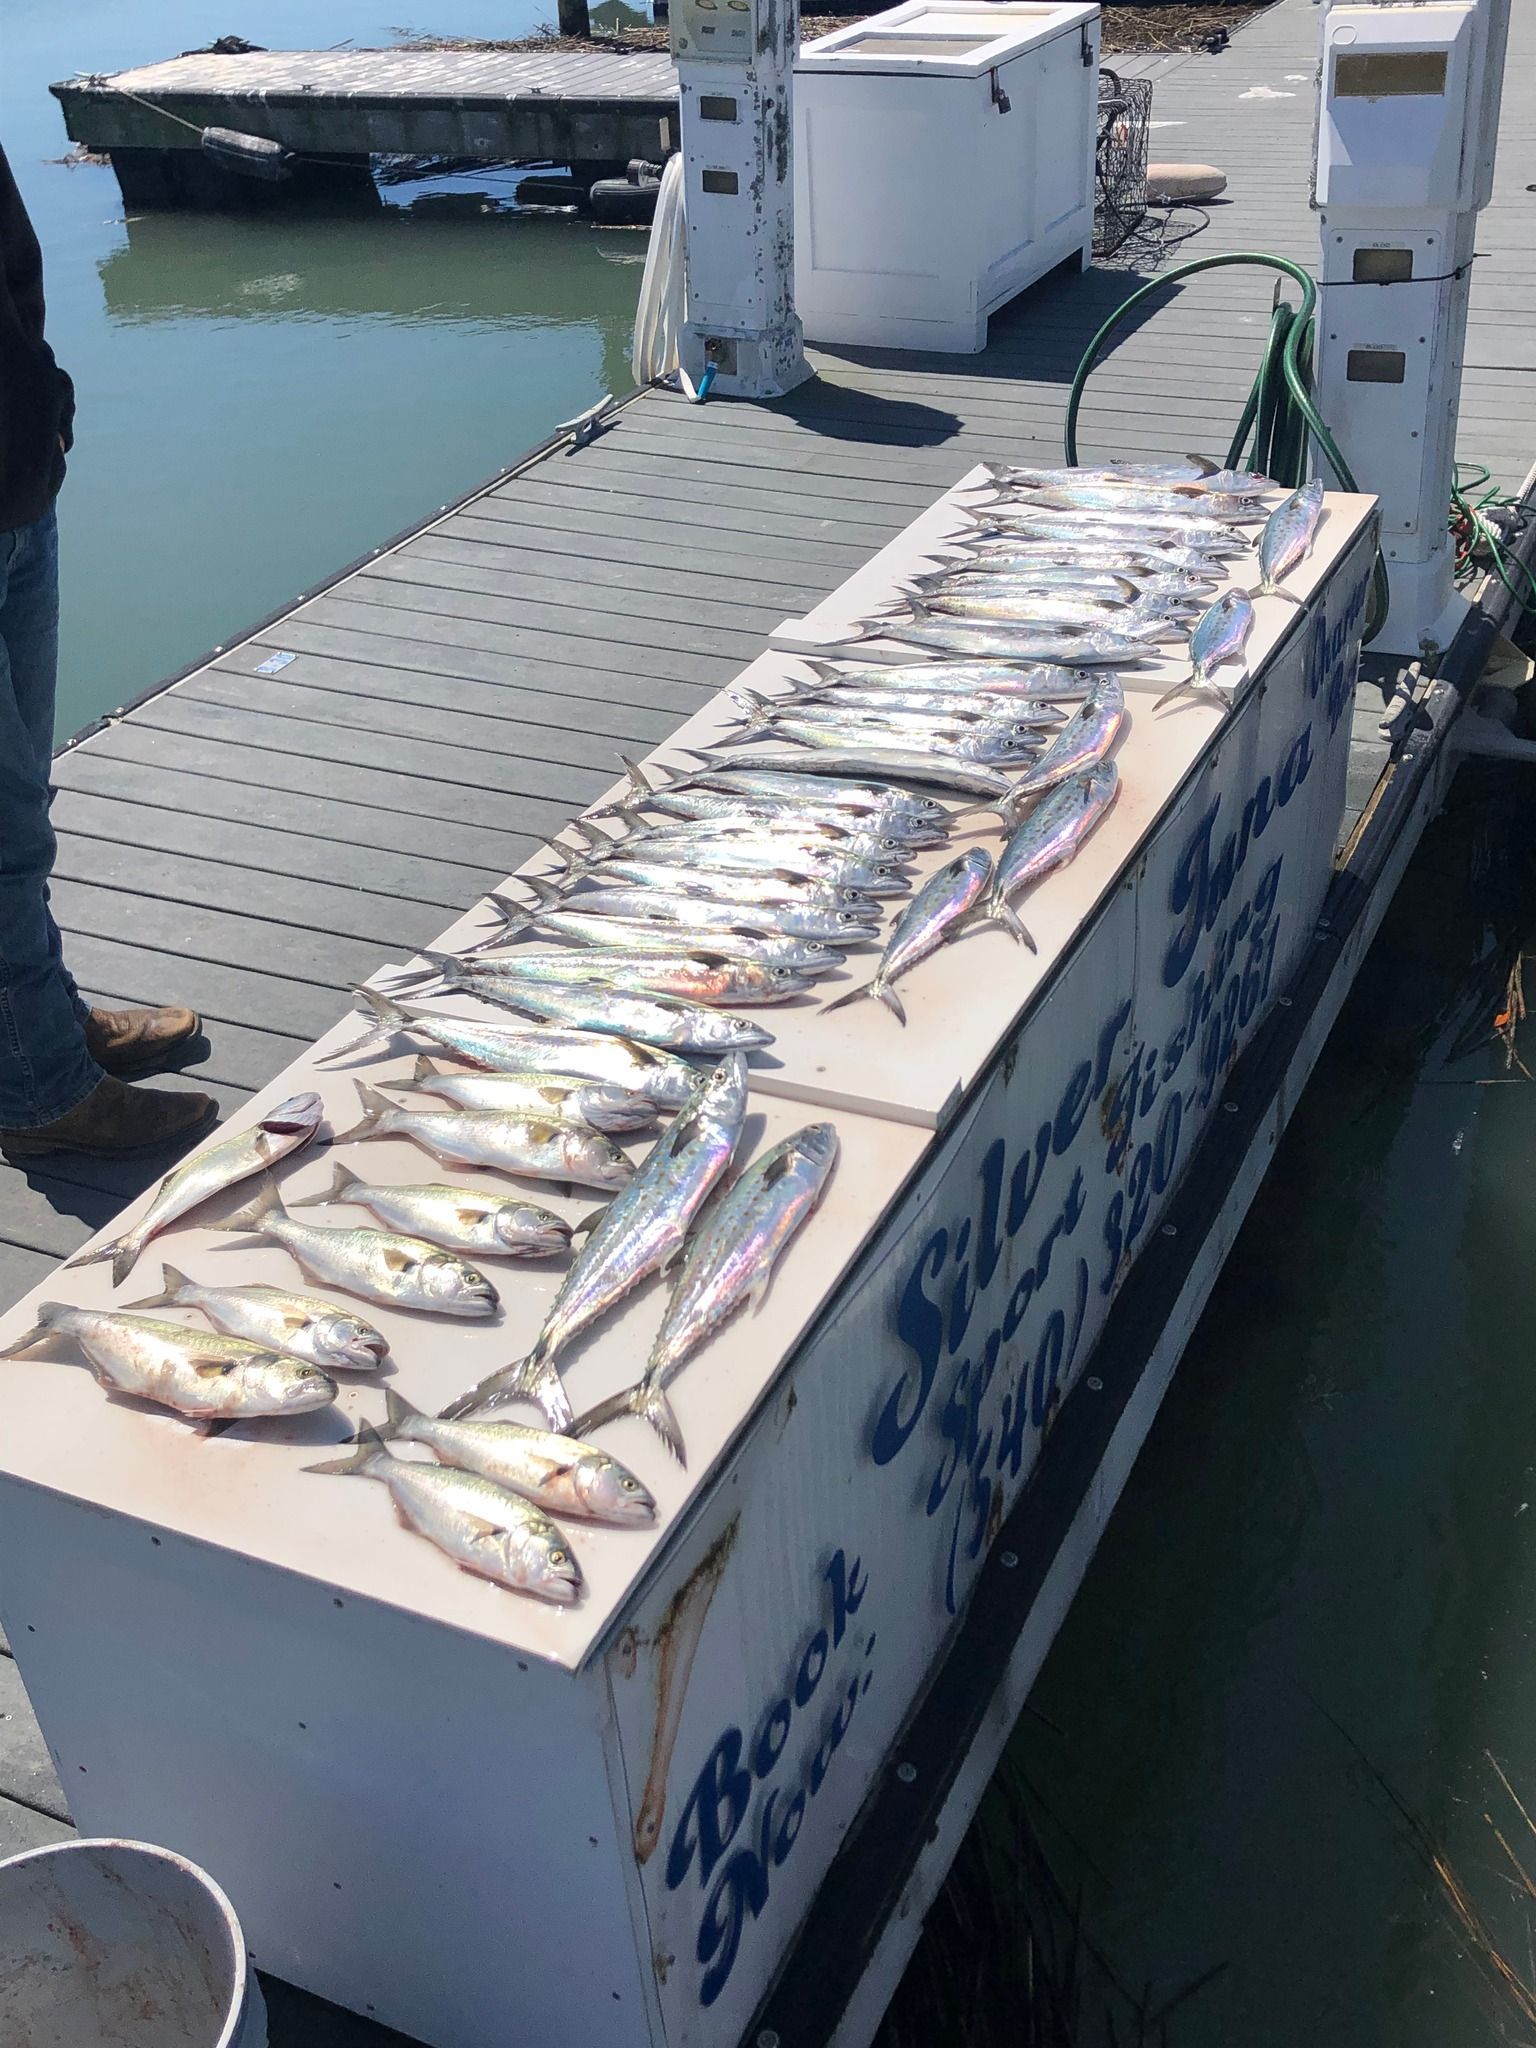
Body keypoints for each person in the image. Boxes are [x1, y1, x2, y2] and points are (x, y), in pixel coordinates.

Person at [0, 144, 214, 1159]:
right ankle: (40, 1094)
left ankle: (44, 1028)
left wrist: (41, 401)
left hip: (14, 488)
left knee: (19, 807)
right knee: (1, 832)